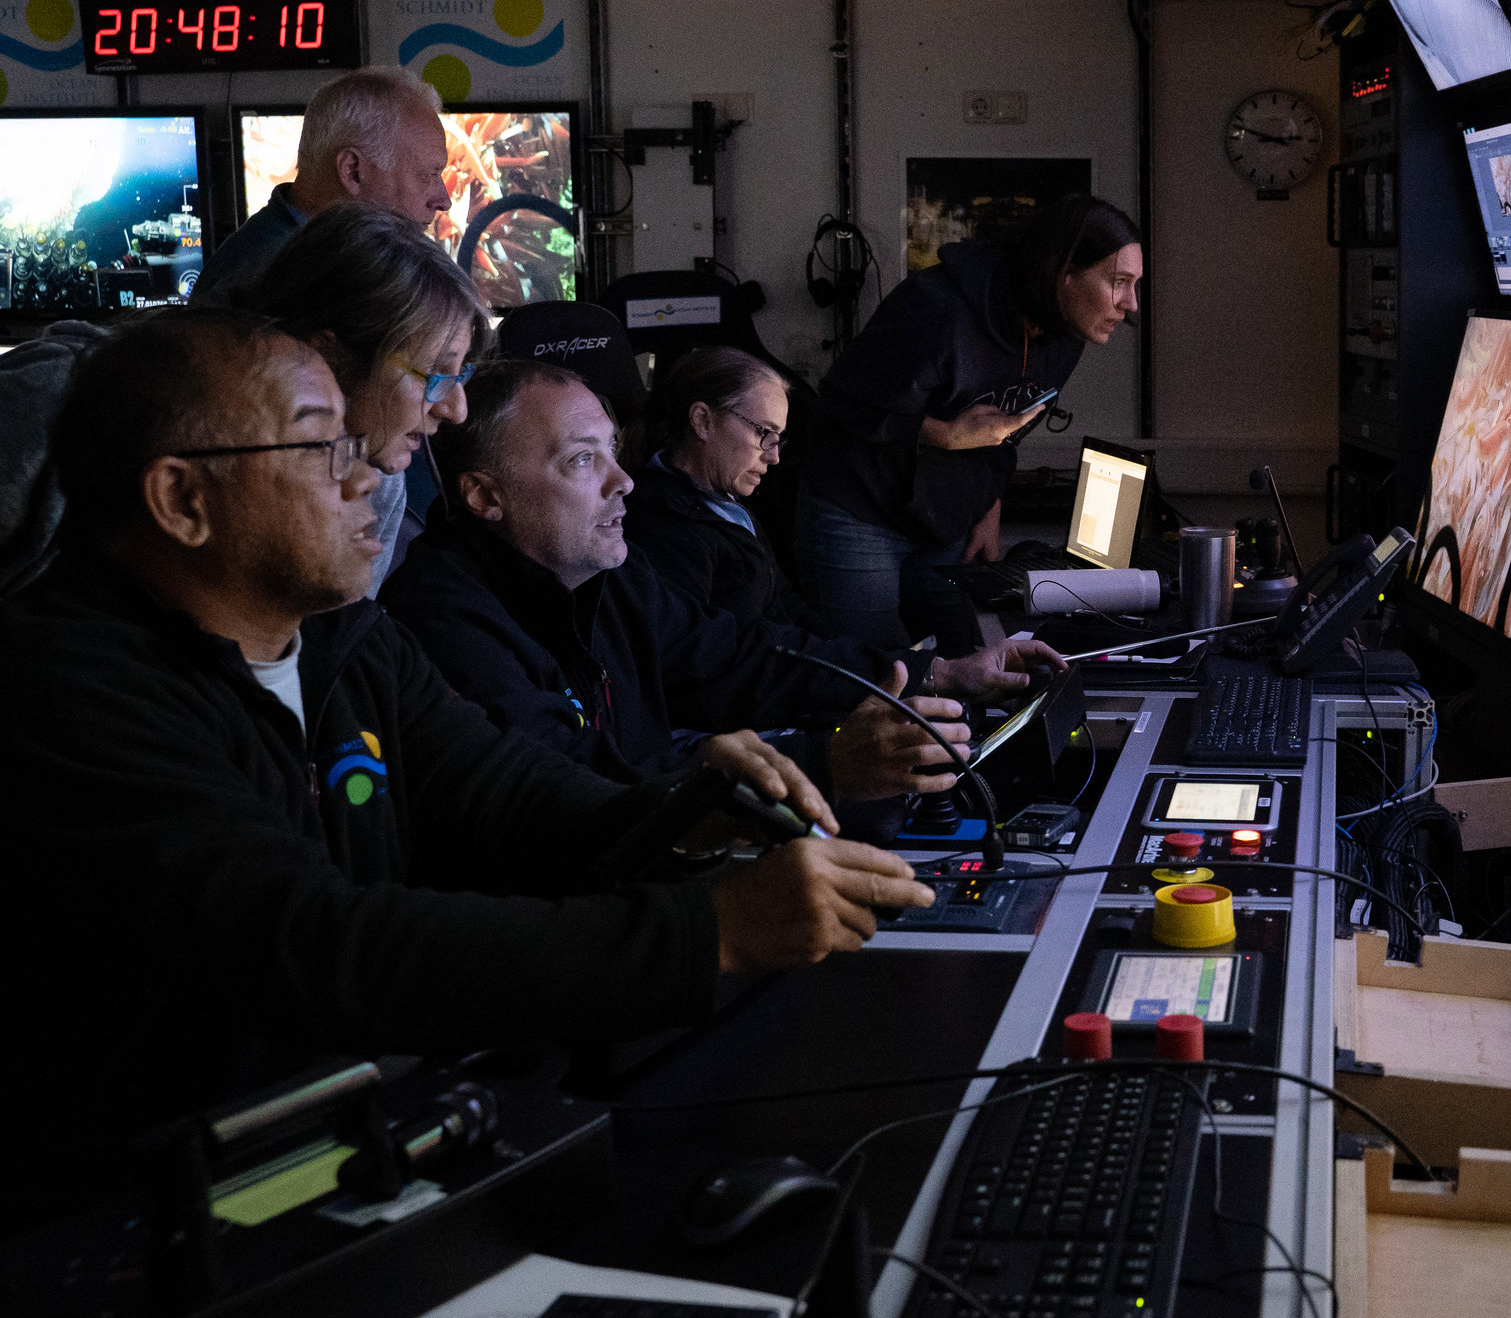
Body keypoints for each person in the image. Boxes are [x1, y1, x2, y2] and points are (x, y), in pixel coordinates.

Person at [0, 309, 933, 1212]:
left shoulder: (345, 642)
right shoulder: (69, 692)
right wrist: (708, 934)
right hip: (135, 1214)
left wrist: (698, 811)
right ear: (182, 500)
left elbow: (513, 798)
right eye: (322, 448)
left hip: (339, 1144)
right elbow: (320, 942)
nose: (367, 478)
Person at [382, 360, 1063, 807]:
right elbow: (570, 785)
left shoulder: (603, 577)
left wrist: (936, 672)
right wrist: (818, 763)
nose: (622, 483)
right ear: (483, 496)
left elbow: (740, 657)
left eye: (613, 455)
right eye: (584, 461)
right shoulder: (442, 621)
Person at [794, 194, 1142, 649]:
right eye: (1118, 282)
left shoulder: (1064, 334)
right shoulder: (936, 308)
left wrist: (989, 508)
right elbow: (840, 405)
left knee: (975, 661)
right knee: (880, 679)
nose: (1131, 304)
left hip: (944, 520)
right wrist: (947, 434)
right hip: (859, 511)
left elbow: (1007, 430)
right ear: (1064, 273)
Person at [246, 201, 480, 593]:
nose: (456, 410)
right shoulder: (246, 492)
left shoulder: (383, 480)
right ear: (328, 360)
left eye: (461, 375)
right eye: (436, 372)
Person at [192, 65, 453, 306]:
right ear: (352, 170)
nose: (443, 201)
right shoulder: (284, 284)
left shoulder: (310, 255)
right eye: (428, 175)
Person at [628, 345, 806, 630]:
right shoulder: (666, 528)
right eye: (763, 432)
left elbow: (784, 601)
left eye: (778, 438)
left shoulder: (724, 498)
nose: (774, 457)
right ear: (703, 421)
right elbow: (707, 657)